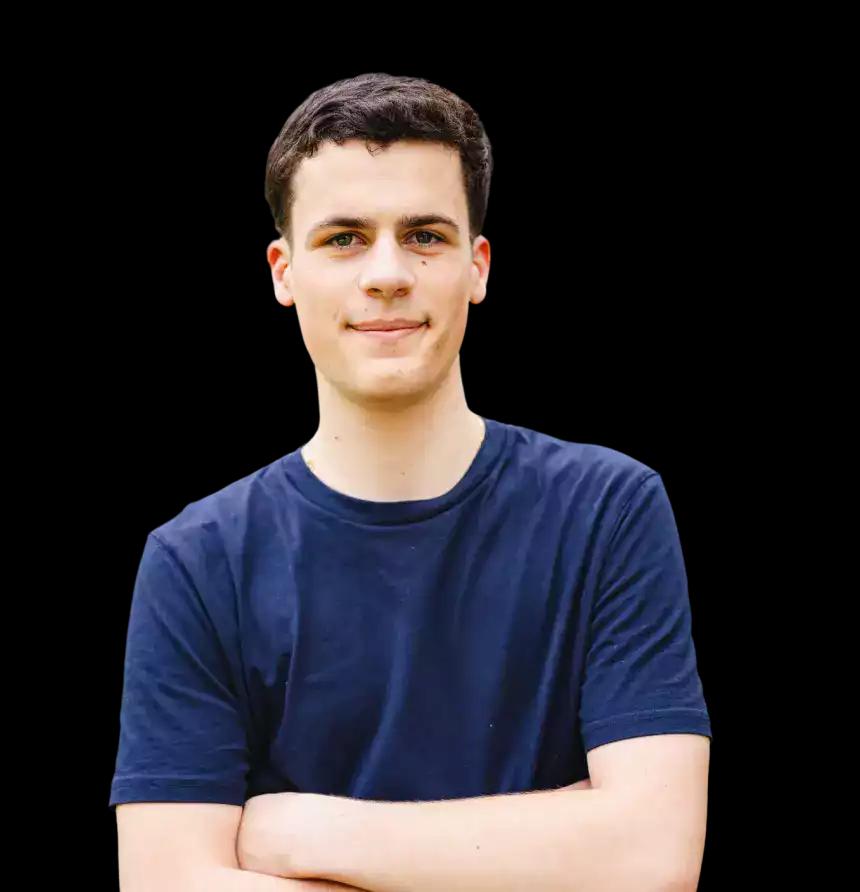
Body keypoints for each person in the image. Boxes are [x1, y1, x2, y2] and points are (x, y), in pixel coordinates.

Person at [110, 72, 712, 890]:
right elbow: (166, 881)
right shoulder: (196, 562)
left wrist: (300, 833)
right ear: (284, 272)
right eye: (344, 238)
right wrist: (560, 846)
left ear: (478, 266)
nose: (387, 273)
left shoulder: (608, 511)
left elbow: (652, 860)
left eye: (424, 235)